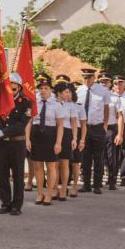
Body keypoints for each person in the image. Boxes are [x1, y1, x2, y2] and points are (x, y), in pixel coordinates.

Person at [0, 72, 31, 216]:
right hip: (2, 144)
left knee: (18, 175)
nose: (11, 91)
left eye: (14, 89)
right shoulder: (1, 101)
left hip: (16, 144)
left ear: (19, 89)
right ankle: (5, 202)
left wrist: (3, 131)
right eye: (9, 88)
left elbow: (22, 125)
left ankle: (17, 205)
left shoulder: (25, 102)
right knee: (2, 174)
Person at [30, 74, 65, 205]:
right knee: (37, 166)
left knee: (51, 167)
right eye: (41, 88)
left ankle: (49, 193)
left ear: (51, 90)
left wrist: (58, 143)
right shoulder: (34, 103)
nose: (43, 90)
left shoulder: (57, 105)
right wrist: (28, 139)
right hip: (36, 135)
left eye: (46, 88)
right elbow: (29, 122)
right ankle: (39, 193)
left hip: (50, 135)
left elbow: (60, 125)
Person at [76, 68, 110, 194]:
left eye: (88, 78)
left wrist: (105, 124)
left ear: (93, 78)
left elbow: (106, 108)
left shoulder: (103, 90)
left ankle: (97, 184)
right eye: (84, 78)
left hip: (97, 127)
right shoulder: (79, 90)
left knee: (98, 157)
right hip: (84, 127)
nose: (86, 80)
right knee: (85, 157)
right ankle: (86, 184)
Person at [53, 78, 76, 201]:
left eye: (69, 92)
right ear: (59, 93)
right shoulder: (52, 103)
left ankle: (64, 189)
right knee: (54, 163)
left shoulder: (71, 105)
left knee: (64, 163)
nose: (68, 94)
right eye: (66, 92)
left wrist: (75, 138)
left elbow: (73, 123)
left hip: (67, 134)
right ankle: (55, 188)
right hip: (54, 133)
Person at [68, 83, 87, 197]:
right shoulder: (60, 105)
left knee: (75, 162)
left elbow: (84, 124)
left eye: (69, 91)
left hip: (77, 133)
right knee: (62, 162)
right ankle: (63, 186)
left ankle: (75, 186)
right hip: (64, 132)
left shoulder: (79, 106)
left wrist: (82, 140)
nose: (67, 94)